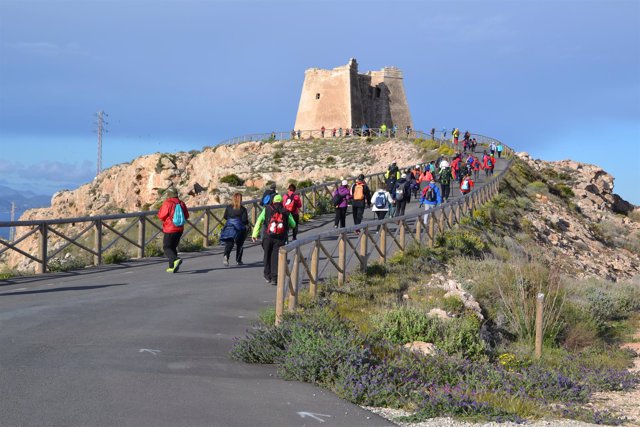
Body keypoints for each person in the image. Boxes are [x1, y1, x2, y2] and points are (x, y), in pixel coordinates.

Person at [251, 194, 296, 285]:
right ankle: (275, 277)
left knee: (267, 255)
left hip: (268, 237)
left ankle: (267, 275)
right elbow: (293, 224)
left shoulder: (267, 209)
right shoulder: (285, 211)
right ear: (281, 201)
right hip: (280, 238)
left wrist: (255, 234)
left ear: (273, 201)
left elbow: (259, 221)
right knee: (275, 257)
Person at [158, 187, 189, 273]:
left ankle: (175, 260)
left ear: (168, 195)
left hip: (170, 229)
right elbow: (186, 216)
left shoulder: (167, 203)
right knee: (173, 247)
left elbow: (161, 216)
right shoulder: (181, 203)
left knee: (167, 247)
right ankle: (172, 267)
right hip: (180, 228)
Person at [221, 192, 249, 266]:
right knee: (240, 244)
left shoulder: (228, 207)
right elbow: (244, 220)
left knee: (229, 242)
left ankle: (226, 256)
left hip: (229, 226)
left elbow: (225, 216)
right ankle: (238, 260)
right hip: (239, 228)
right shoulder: (243, 209)